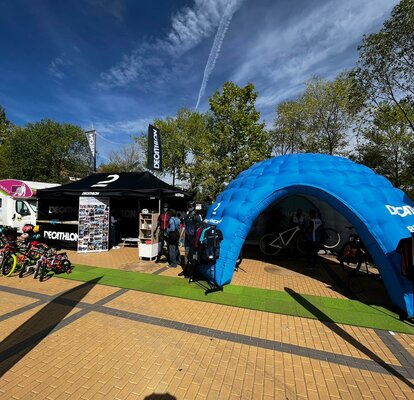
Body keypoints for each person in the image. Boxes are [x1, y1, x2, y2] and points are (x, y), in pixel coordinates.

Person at [179, 201, 202, 280]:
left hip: (194, 239)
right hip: (187, 239)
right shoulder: (186, 216)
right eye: (188, 206)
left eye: (190, 206)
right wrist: (180, 237)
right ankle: (186, 271)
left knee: (193, 256)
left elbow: (200, 229)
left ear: (194, 206)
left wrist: (198, 240)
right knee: (186, 255)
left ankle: (193, 273)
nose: (189, 207)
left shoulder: (197, 216)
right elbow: (184, 227)